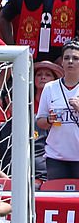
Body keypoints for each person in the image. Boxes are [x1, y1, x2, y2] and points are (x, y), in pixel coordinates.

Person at [35, 41, 79, 179]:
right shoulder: (50, 88)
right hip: (56, 157)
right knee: (57, 197)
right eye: (67, 58)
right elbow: (40, 121)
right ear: (62, 62)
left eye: (75, 58)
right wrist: (49, 120)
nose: (70, 61)